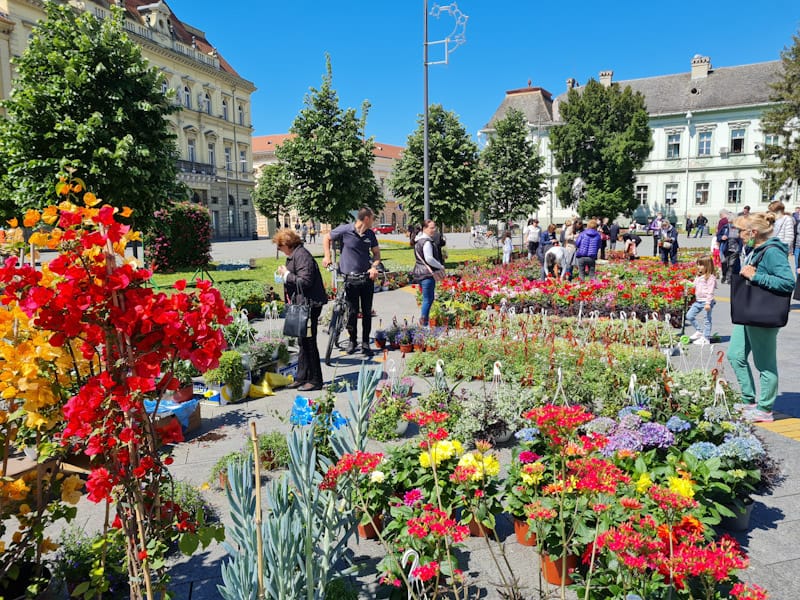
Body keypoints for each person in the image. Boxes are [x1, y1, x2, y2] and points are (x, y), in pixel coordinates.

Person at [728, 213, 796, 423]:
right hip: (749, 312)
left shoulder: (772, 252)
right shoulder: (756, 250)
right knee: (735, 355)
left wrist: (756, 276)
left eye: (741, 231)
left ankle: (765, 409)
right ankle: (749, 400)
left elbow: (788, 282)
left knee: (764, 364)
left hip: (762, 315)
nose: (739, 235)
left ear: (753, 232)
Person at [322, 207, 382, 357]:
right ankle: (353, 341)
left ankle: (366, 343)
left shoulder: (370, 234)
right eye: (373, 217)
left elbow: (376, 254)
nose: (374, 220)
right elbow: (326, 237)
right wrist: (327, 256)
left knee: (367, 312)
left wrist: (374, 267)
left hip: (366, 278)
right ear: (366, 218)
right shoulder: (345, 230)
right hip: (350, 278)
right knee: (352, 312)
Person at [274, 229, 328, 391]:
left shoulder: (302, 255)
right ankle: (302, 376)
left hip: (309, 305)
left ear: (287, 244)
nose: (279, 249)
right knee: (302, 341)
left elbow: (305, 281)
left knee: (309, 342)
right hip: (302, 304)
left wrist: (286, 274)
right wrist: (285, 275)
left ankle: (315, 380)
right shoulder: (295, 255)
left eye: (279, 246)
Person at [412, 219, 446, 326]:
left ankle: (424, 322)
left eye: (434, 227)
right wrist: (440, 266)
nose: (434, 230)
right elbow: (429, 259)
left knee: (426, 299)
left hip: (419, 272)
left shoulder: (418, 240)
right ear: (424, 228)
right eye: (431, 228)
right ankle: (424, 323)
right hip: (427, 274)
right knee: (428, 299)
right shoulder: (426, 242)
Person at [685, 255, 717, 345]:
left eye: (701, 265)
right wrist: (686, 283)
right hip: (698, 301)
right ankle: (699, 331)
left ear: (708, 266)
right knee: (689, 315)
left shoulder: (710, 278)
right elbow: (694, 285)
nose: (699, 266)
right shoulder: (699, 276)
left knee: (707, 319)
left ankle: (706, 338)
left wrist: (708, 303)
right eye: (698, 264)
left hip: (707, 301)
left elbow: (710, 292)